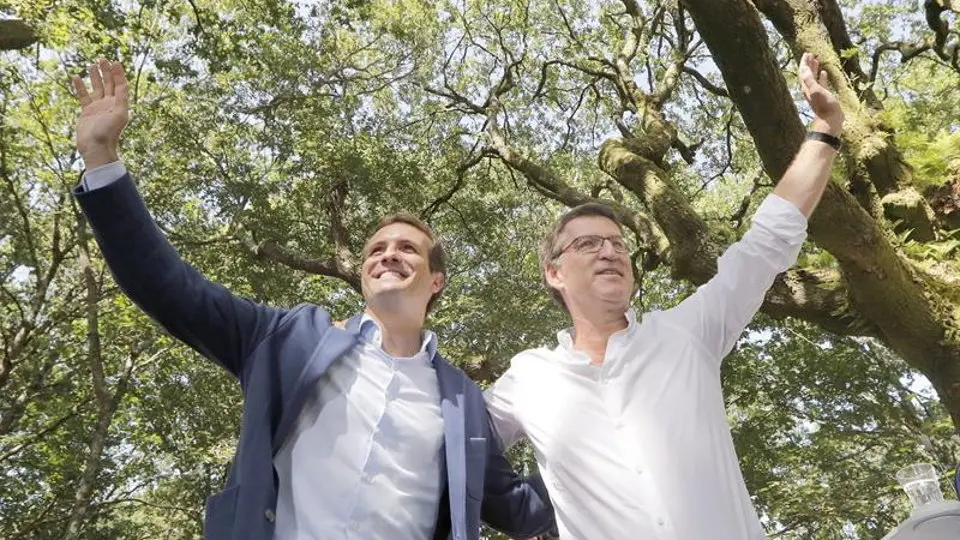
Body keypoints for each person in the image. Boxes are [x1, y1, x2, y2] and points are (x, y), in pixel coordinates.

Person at [70, 59, 553, 540]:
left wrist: (613, 458)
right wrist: (101, 158)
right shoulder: (287, 340)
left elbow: (517, 509)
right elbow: (167, 286)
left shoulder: (462, 400)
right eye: (376, 249)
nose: (388, 255)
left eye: (408, 249)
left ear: (436, 281)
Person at [484, 52, 844, 539]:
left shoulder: (686, 332)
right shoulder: (527, 377)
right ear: (554, 273)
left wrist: (825, 126)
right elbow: (453, 446)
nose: (610, 252)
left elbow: (766, 244)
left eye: (618, 243)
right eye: (588, 244)